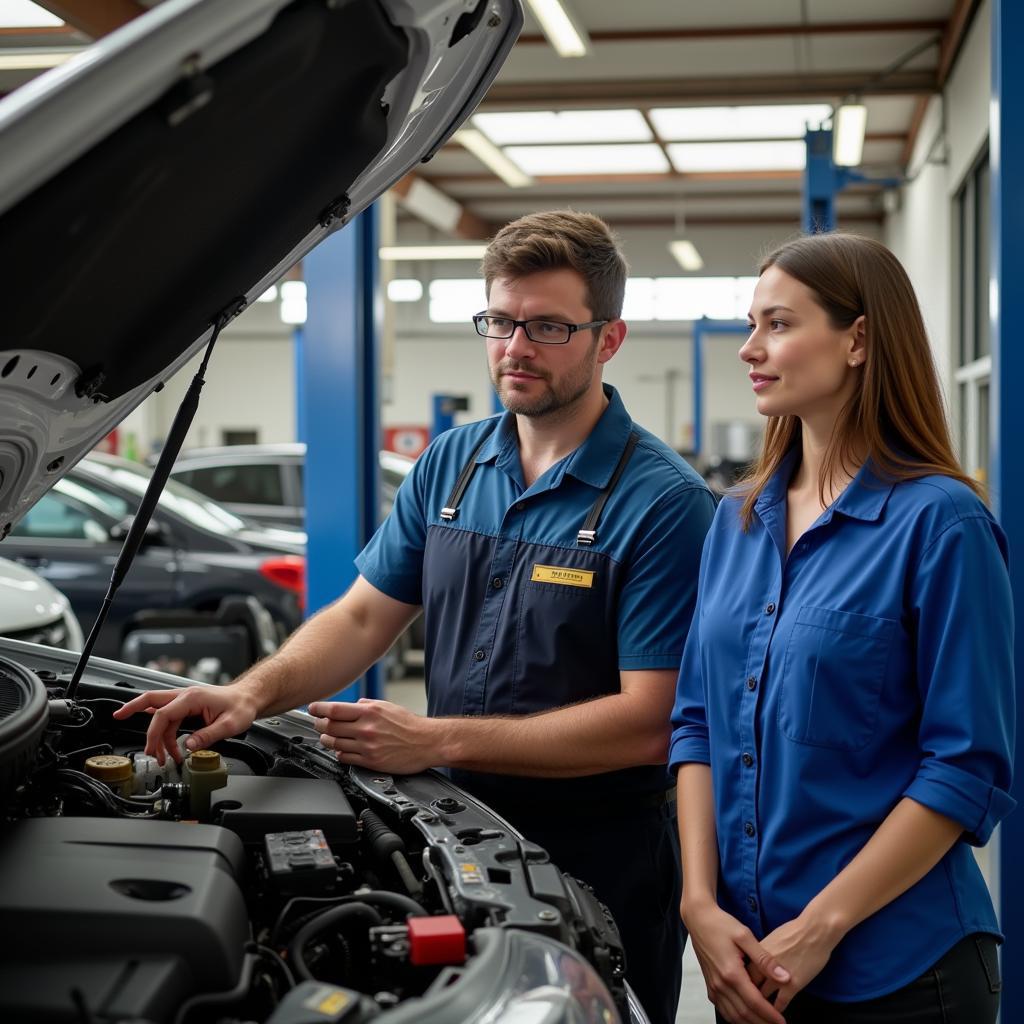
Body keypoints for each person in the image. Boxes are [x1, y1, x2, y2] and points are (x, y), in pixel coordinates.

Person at [116, 210, 716, 1024]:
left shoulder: (664, 504)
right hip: (453, 831)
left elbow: (650, 723)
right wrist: (250, 697)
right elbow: (364, 617)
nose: (515, 347)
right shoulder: (452, 463)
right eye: (500, 321)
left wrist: (435, 739)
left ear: (609, 339)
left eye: (548, 326)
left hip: (599, 855)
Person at [669, 232, 1014, 1024]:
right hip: (748, 961)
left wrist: (821, 928)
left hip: (901, 972)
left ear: (858, 339)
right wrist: (698, 904)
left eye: (779, 324)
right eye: (751, 324)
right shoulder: (738, 520)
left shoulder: (941, 524)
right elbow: (696, 725)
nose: (751, 348)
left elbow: (965, 768)